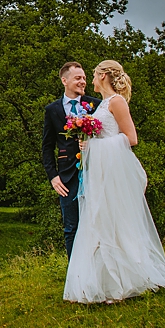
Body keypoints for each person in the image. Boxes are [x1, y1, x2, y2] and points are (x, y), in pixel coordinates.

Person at [63, 60, 165, 304]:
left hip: (113, 174)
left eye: (94, 74)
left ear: (103, 75)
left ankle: (125, 281)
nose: (91, 79)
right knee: (99, 222)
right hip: (101, 174)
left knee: (115, 222)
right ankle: (102, 283)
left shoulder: (117, 102)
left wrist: (94, 144)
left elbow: (130, 138)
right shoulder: (102, 103)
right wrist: (87, 142)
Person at [40, 62, 99, 257]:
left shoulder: (95, 105)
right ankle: (76, 274)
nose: (83, 81)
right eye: (78, 78)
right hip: (66, 176)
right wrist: (53, 176)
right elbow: (47, 147)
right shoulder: (52, 110)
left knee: (96, 223)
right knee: (71, 226)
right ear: (64, 81)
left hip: (95, 170)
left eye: (83, 78)